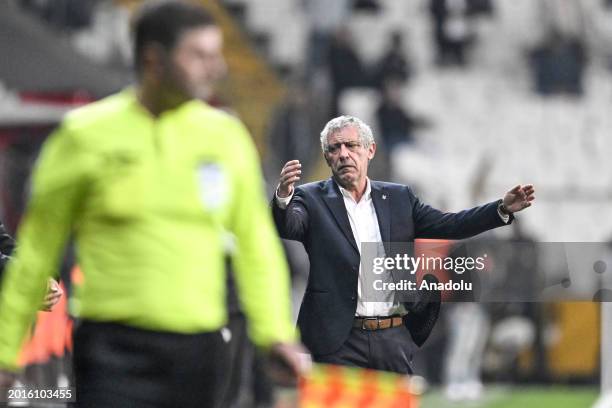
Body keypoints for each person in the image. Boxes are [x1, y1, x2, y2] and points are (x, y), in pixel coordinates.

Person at [0, 2, 305, 407]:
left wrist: (276, 333)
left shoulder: (226, 138)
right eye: (199, 55)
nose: (216, 69)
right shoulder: (84, 137)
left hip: (200, 351)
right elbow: (35, 252)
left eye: (216, 55)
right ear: (153, 59)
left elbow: (256, 246)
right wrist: (6, 351)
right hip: (110, 349)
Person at [271, 115, 535, 374]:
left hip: (390, 337)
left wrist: (499, 209)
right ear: (327, 156)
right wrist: (283, 198)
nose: (342, 154)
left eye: (351, 146)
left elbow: (450, 224)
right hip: (337, 339)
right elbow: (288, 225)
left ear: (370, 150)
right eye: (333, 148)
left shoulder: (399, 198)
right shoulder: (309, 197)